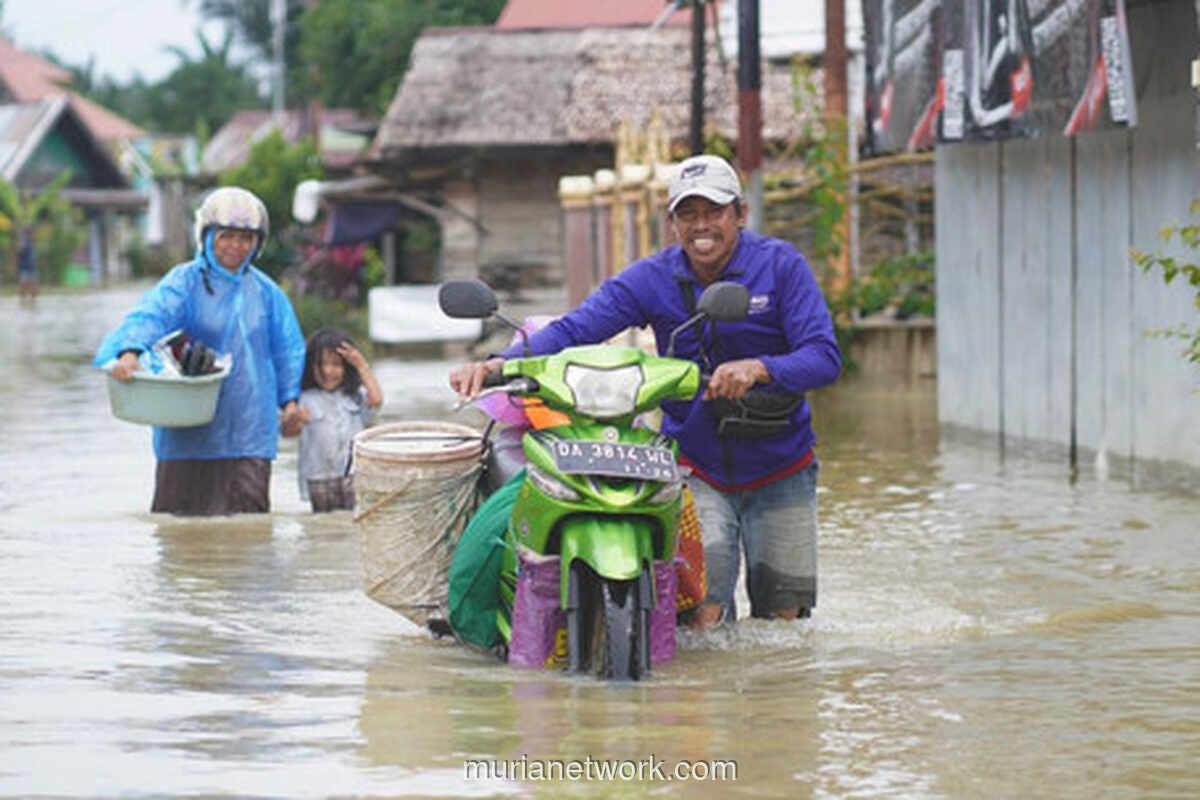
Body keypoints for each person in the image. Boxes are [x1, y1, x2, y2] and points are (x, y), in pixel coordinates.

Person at [450, 154, 841, 628]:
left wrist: (760, 368)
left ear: (740, 213)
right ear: (672, 222)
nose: (702, 226)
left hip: (783, 464)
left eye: (714, 212)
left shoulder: (781, 267)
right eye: (688, 214)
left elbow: (823, 356)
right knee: (702, 617)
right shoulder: (651, 278)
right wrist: (501, 365)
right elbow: (578, 328)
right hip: (697, 469)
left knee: (786, 623)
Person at [94, 186, 307, 515]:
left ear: (257, 243)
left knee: (249, 535)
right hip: (186, 434)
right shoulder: (184, 283)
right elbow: (151, 315)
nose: (236, 247)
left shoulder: (268, 294)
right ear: (207, 237)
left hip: (250, 433)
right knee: (179, 533)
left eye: (246, 238)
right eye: (226, 236)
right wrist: (129, 352)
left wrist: (291, 403)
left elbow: (288, 351)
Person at [285, 328, 383, 512]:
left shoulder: (355, 396)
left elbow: (376, 400)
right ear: (310, 367)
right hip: (318, 477)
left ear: (348, 367)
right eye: (321, 365)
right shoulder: (304, 398)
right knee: (324, 526)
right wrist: (294, 419)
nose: (327, 371)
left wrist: (361, 365)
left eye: (336, 365)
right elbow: (289, 432)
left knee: (353, 520)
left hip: (354, 474)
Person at [17, 227, 37, 306]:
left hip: (31, 267)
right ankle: (23, 300)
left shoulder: (30, 241)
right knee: (24, 284)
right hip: (25, 267)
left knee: (31, 284)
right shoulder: (24, 240)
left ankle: (30, 300)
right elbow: (20, 251)